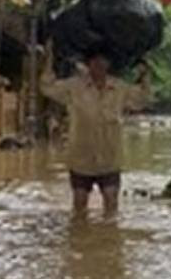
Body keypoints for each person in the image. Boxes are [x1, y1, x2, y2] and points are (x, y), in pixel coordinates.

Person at [40, 41, 152, 215]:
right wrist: (49, 60)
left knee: (111, 202)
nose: (99, 65)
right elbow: (47, 88)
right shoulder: (73, 87)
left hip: (110, 158)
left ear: (108, 64)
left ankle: (109, 239)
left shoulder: (119, 88)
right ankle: (80, 238)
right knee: (79, 204)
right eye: (95, 61)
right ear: (88, 64)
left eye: (103, 61)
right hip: (80, 158)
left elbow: (142, 99)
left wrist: (145, 75)